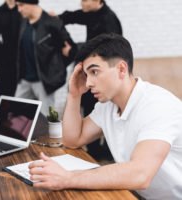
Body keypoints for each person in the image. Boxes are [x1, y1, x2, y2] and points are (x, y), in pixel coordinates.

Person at [28, 33, 182, 199]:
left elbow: (140, 174)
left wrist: (68, 178)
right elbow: (72, 139)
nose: (88, 83)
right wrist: (74, 95)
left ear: (121, 69)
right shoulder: (107, 106)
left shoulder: (157, 105)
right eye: (86, 75)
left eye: (95, 72)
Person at [58, 0, 123, 160]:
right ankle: (95, 151)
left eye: (85, 0)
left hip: (105, 76)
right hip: (93, 73)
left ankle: (105, 152)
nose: (82, 3)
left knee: (106, 112)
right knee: (89, 109)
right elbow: (70, 16)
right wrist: (53, 17)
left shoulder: (109, 20)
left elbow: (104, 54)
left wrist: (72, 51)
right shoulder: (91, 14)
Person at [15, 0, 77, 115]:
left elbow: (72, 50)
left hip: (43, 82)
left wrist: (55, 71)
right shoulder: (24, 22)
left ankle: (55, 133)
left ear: (31, 3)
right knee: (15, 114)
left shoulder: (52, 23)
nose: (19, 9)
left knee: (49, 118)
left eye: (21, 5)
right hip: (24, 80)